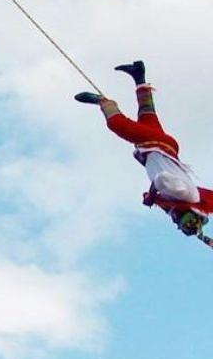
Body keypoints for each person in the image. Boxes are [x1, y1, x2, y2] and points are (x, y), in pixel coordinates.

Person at [75, 61, 213, 243]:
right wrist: (154, 193)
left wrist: (155, 196)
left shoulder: (180, 198)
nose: (176, 222)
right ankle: (104, 102)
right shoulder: (186, 195)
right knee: (117, 124)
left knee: (147, 116)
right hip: (157, 145)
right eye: (181, 223)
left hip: (162, 147)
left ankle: (139, 77)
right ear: (191, 216)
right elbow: (163, 178)